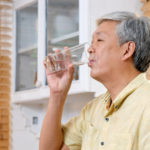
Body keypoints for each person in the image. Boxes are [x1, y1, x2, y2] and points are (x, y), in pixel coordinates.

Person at [39, 11, 150, 150]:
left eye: (99, 40)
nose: (90, 49)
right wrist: (57, 94)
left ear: (127, 50)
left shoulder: (147, 104)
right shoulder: (93, 110)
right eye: (91, 42)